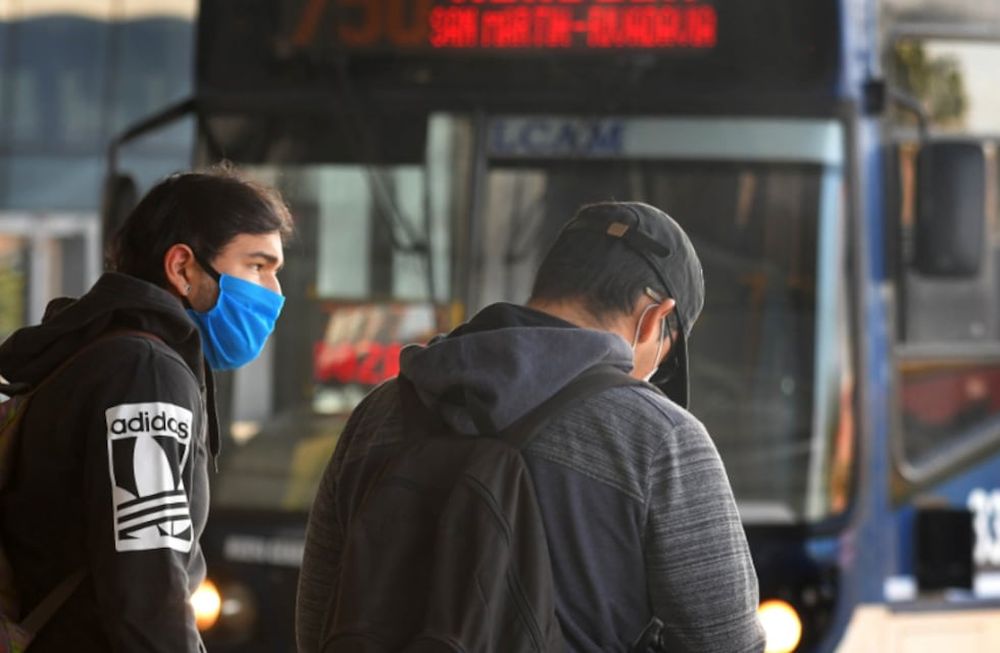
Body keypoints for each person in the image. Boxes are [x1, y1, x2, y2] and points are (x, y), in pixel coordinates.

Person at [296, 201, 765, 652]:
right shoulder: (660, 437)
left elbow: (317, 623)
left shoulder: (380, 412)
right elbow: (726, 642)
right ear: (654, 318)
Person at [0, 167, 292, 652]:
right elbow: (147, 591)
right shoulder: (145, 375)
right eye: (257, 267)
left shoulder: (98, 354)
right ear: (182, 267)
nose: (274, 294)